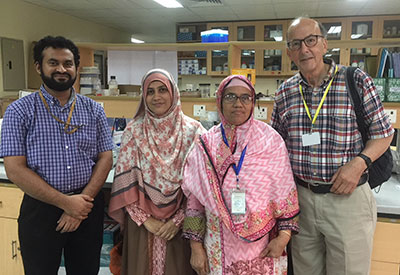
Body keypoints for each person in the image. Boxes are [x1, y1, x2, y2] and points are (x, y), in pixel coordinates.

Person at [271, 17, 394, 275]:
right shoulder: (285, 93)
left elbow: (384, 134)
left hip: (347, 200)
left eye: (311, 40)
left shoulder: (356, 80)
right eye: (296, 44)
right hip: (302, 201)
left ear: (324, 44)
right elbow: (276, 149)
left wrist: (360, 162)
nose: (304, 49)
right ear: (289, 53)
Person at [0, 35, 113, 275]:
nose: (62, 69)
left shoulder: (93, 110)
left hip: (87, 205)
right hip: (40, 209)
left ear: (76, 68)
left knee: (86, 271)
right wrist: (66, 203)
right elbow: (15, 168)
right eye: (53, 63)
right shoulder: (19, 111)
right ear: (39, 66)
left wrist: (80, 203)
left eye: (68, 63)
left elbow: (105, 157)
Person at [182, 74, 300, 275]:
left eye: (246, 97)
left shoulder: (271, 142)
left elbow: (286, 196)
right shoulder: (206, 144)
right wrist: (196, 247)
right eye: (231, 97)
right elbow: (195, 200)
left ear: (253, 103)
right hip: (217, 246)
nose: (238, 103)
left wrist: (283, 238)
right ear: (220, 100)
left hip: (264, 247)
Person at [108, 68, 205, 275]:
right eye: (150, 91)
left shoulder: (194, 132)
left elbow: (200, 186)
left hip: (183, 225)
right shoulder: (134, 131)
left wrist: (177, 221)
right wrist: (147, 221)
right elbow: (125, 185)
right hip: (142, 226)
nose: (156, 97)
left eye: (162, 89)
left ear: (173, 93)